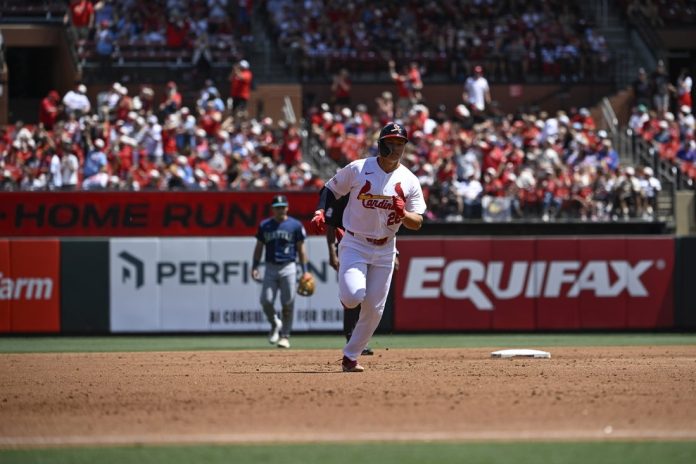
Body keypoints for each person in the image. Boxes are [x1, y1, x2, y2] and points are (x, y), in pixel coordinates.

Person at [311, 122, 426, 372]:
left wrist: (403, 214)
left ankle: (350, 356)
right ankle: (347, 297)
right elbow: (330, 188)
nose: (396, 147)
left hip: (386, 247)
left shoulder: (409, 180)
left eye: (400, 143)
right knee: (353, 297)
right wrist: (320, 211)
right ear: (381, 144)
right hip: (355, 241)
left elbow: (417, 222)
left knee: (375, 308)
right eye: (391, 142)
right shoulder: (359, 168)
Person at [251, 195, 310, 349]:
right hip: (270, 266)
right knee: (266, 300)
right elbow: (259, 247)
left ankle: (285, 335)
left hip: (288, 266)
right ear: (273, 209)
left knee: (288, 303)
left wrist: (305, 271)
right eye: (277, 207)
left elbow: (301, 250)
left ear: (287, 207)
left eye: (283, 207)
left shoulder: (295, 225)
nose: (280, 210)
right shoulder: (265, 225)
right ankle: (274, 323)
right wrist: (255, 266)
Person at [323, 193, 373, 356]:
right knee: (352, 296)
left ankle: (360, 339)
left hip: (372, 249)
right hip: (348, 249)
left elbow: (384, 226)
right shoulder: (342, 198)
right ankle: (353, 338)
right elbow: (331, 226)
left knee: (368, 297)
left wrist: (396, 252)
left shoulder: (370, 197)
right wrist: (332, 254)